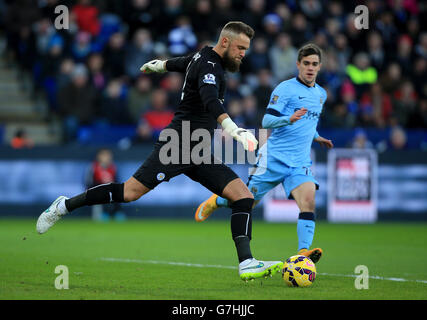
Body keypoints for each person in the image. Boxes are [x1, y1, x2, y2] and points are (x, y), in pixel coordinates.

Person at [36, 21, 283, 282]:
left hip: (197, 148)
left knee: (243, 197)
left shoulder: (203, 56)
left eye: (246, 49)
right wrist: (235, 130)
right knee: (129, 193)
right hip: (177, 145)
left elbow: (184, 62)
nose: (243, 54)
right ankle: (63, 206)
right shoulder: (211, 66)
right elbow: (210, 100)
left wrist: (161, 65)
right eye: (240, 48)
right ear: (225, 42)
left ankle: (246, 263)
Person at [195, 43, 334, 264]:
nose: (310, 68)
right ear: (298, 64)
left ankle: (302, 252)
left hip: (299, 162)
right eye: (306, 63)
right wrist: (288, 119)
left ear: (319, 67)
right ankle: (218, 201)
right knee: (247, 201)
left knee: (308, 201)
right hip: (272, 159)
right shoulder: (285, 89)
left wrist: (316, 136)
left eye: (314, 64)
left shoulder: (321, 94)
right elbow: (266, 121)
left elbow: (309, 121)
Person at [85, 148, 125, 222]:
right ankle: (103, 215)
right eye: (104, 155)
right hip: (97, 191)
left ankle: (117, 214)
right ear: (99, 156)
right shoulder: (94, 167)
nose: (107, 157)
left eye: (108, 155)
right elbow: (88, 183)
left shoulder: (113, 168)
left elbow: (117, 181)